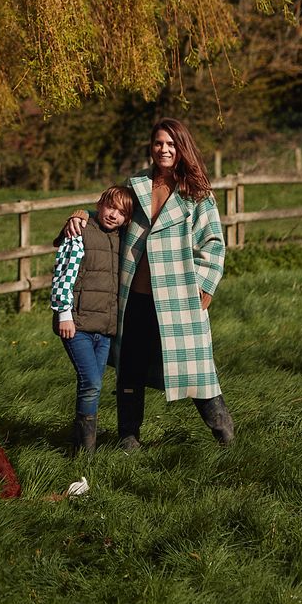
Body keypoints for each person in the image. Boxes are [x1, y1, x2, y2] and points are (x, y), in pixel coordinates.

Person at [66, 118, 231, 450]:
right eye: (159, 143)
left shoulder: (197, 193)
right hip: (135, 296)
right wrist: (80, 214)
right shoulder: (137, 183)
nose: (164, 150)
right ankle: (129, 438)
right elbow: (111, 209)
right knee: (130, 369)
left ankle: (224, 432)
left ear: (182, 148)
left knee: (196, 368)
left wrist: (206, 285)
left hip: (179, 294)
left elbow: (213, 242)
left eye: (171, 144)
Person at [50, 184, 135, 454]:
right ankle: (84, 451)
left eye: (121, 212)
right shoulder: (80, 232)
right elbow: (63, 275)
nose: (113, 215)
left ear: (127, 219)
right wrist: (64, 314)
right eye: (110, 207)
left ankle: (81, 445)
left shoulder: (123, 239)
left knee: (92, 385)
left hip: (105, 328)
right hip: (77, 324)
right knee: (92, 383)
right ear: (99, 204)